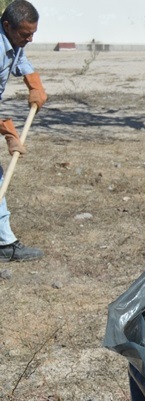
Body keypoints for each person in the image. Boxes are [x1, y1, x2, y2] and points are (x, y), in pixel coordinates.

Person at [0, 0, 45, 262]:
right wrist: (9, 134)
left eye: (33, 33)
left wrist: (34, 84)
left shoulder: (13, 42)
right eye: (25, 34)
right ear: (7, 25)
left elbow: (21, 61)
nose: (29, 39)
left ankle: (5, 242)